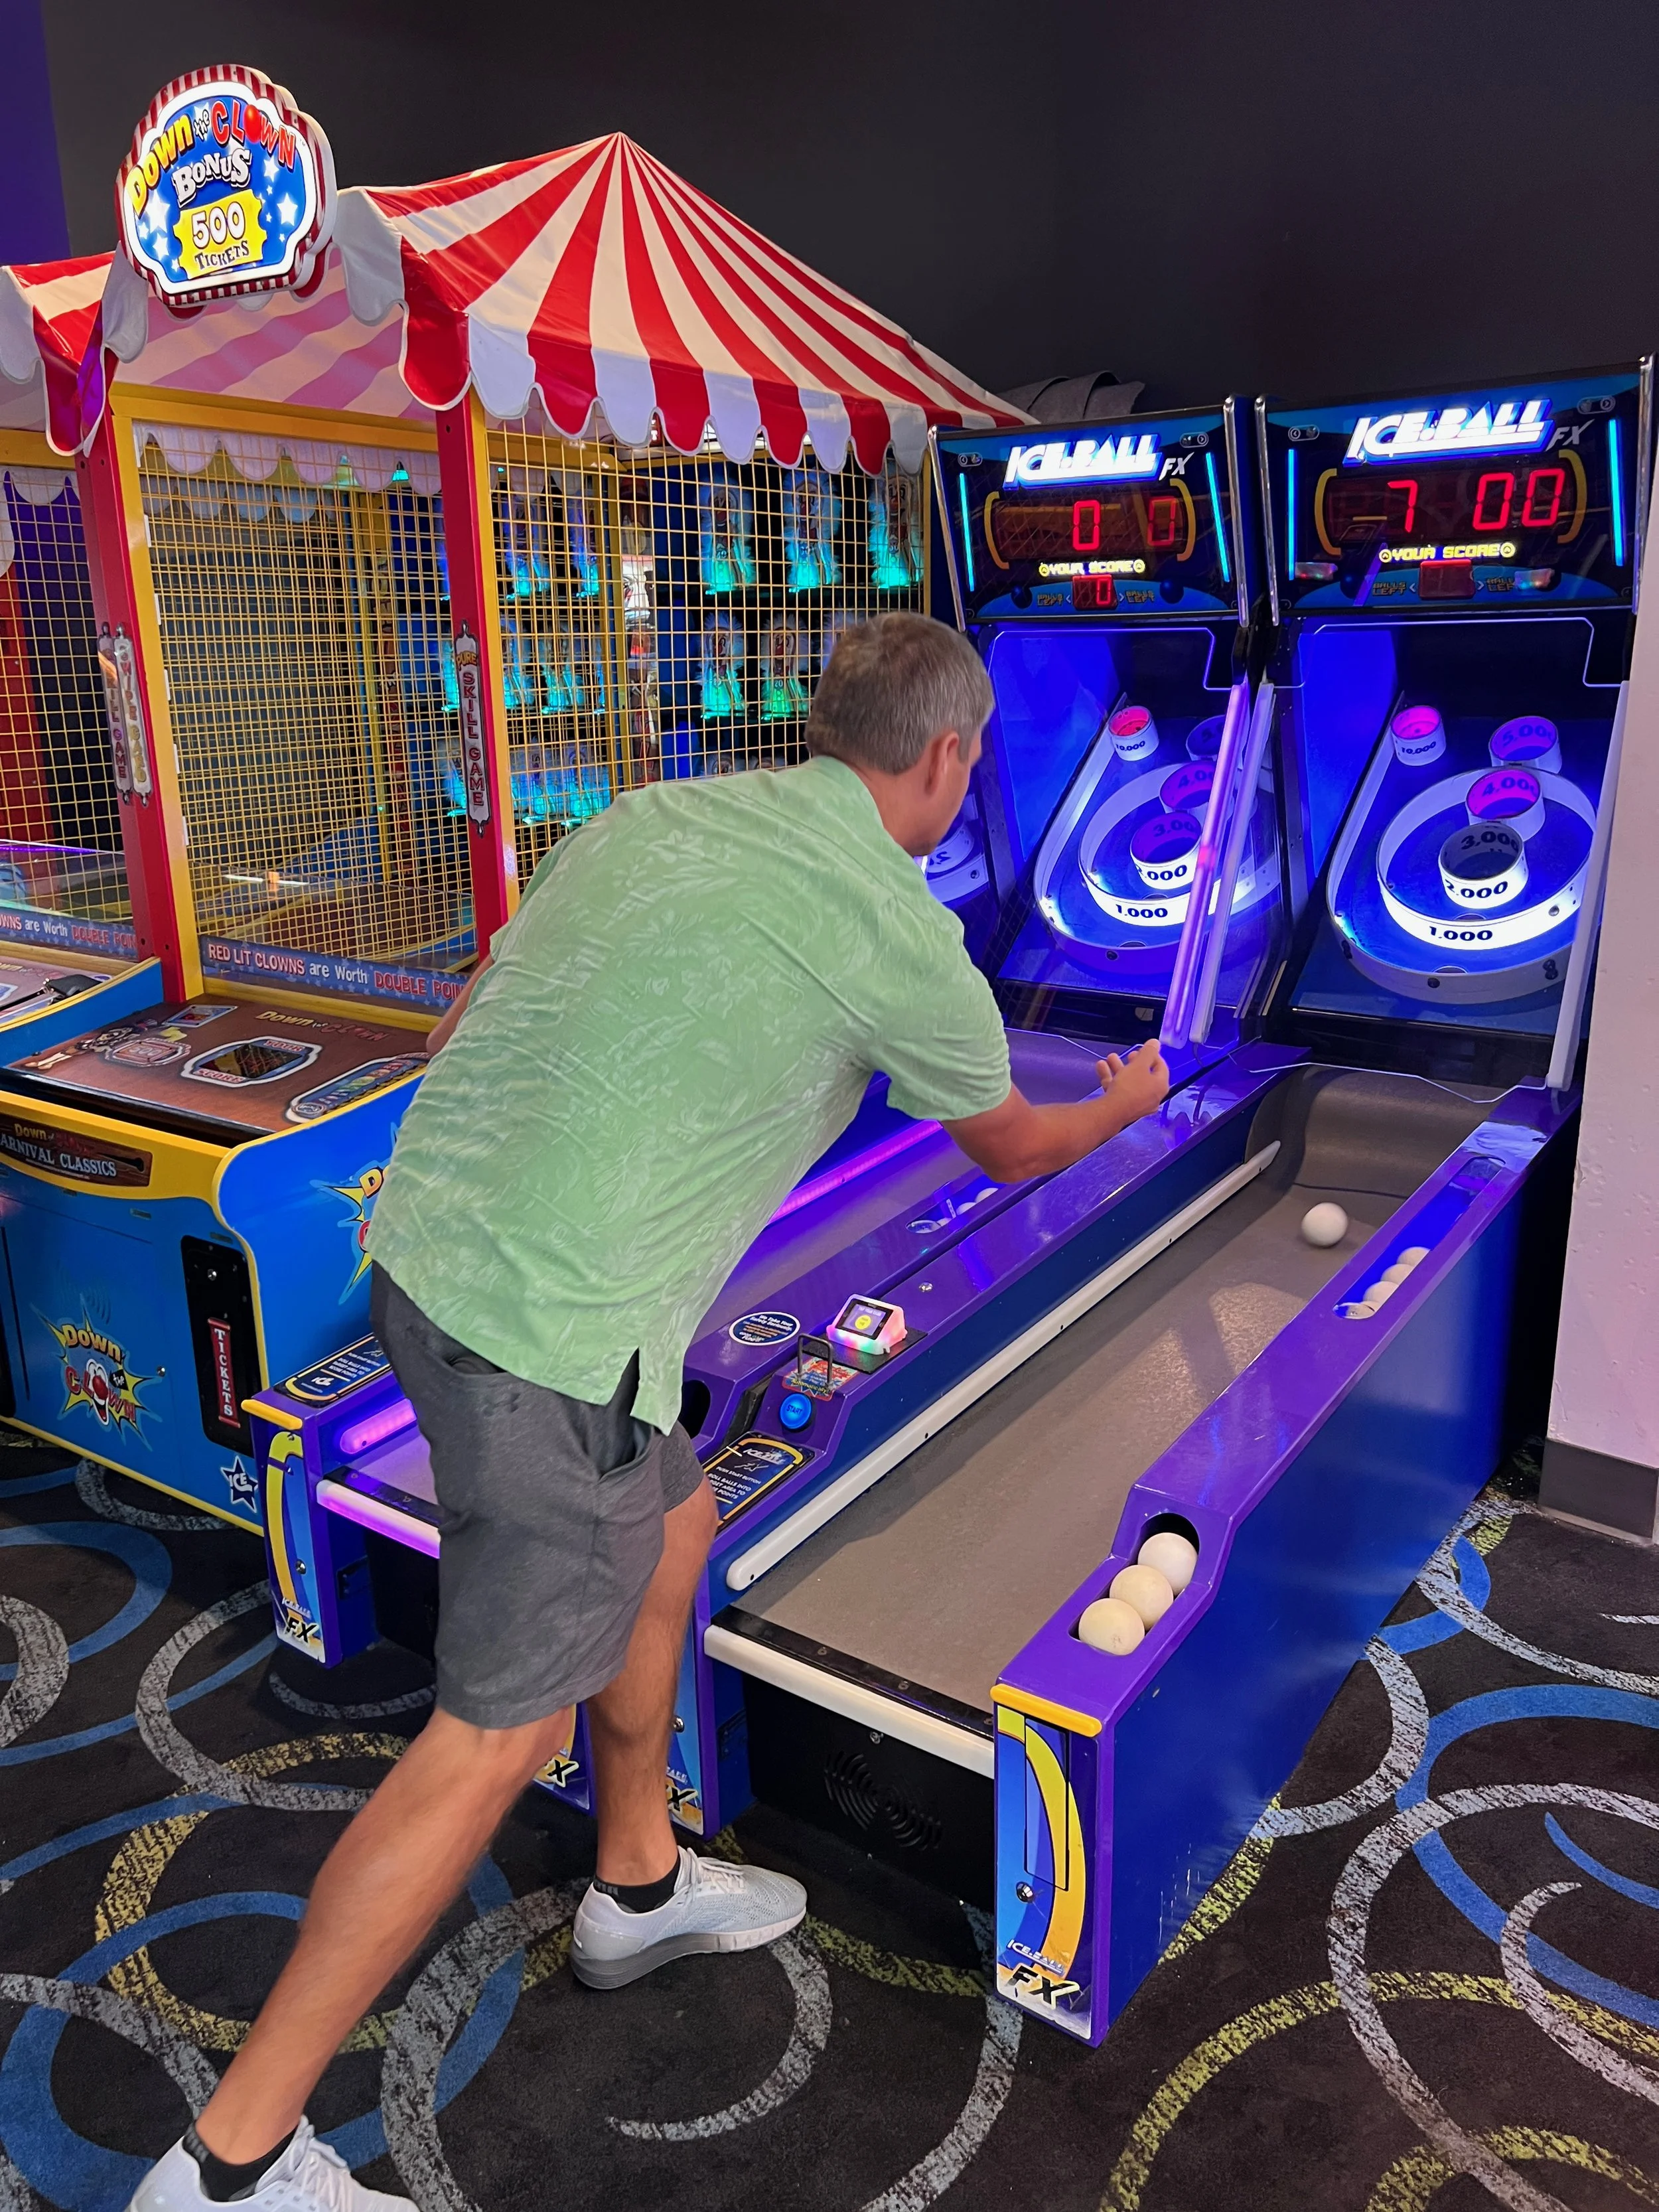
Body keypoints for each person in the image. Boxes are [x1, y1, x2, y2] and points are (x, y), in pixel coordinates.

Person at [131, 613, 1169, 2212]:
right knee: (492, 1739)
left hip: (418, 1258)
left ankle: (635, 1879)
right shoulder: (896, 931)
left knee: (672, 1509)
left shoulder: (646, 812)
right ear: (949, 758)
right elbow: (1016, 1147)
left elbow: (481, 1000)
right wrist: (1127, 1097)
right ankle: (227, 2164)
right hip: (547, 1350)